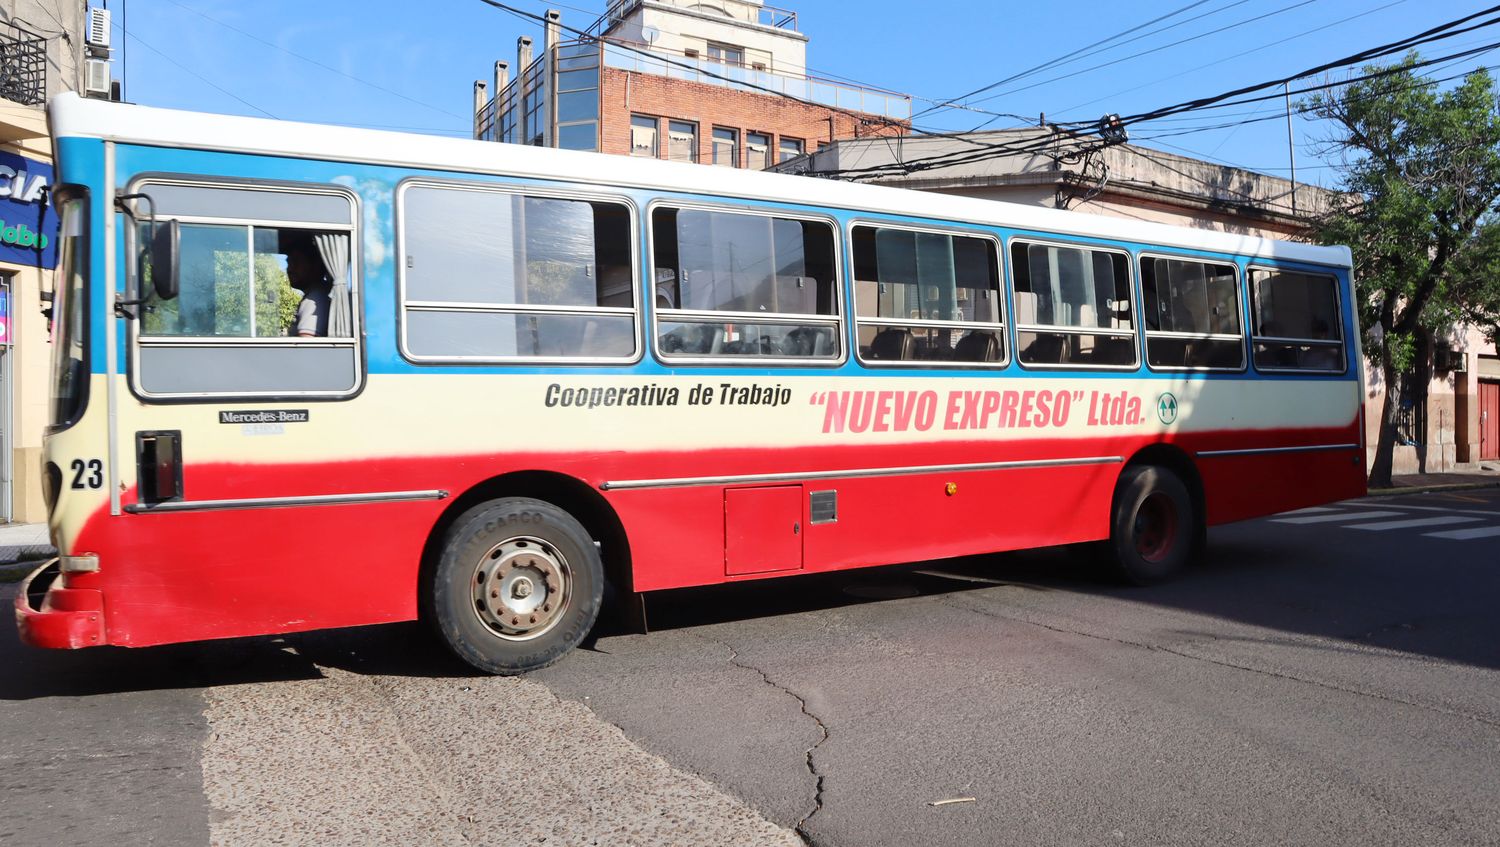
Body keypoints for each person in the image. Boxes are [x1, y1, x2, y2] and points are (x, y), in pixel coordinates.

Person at [285, 235, 331, 338]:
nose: (289, 269)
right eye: (289, 263)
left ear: (315, 265)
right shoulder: (318, 292)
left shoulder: (315, 298)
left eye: (296, 262)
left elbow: (307, 344)